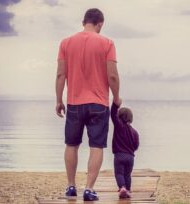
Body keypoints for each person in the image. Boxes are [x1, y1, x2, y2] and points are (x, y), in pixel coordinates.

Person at [55, 8, 121, 201]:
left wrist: (59, 99)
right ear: (100, 24)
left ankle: (70, 186)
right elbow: (112, 75)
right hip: (99, 103)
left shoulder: (66, 43)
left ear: (84, 22)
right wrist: (116, 97)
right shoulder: (107, 43)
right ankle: (89, 189)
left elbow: (60, 74)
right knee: (96, 146)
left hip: (74, 103)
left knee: (71, 144)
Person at [111, 101, 139, 199]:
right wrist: (131, 151)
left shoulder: (119, 126)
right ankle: (128, 189)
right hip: (130, 157)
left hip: (119, 155)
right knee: (127, 174)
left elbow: (112, 114)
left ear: (119, 117)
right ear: (131, 118)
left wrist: (116, 105)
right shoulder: (135, 132)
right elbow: (136, 145)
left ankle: (122, 188)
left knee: (119, 173)